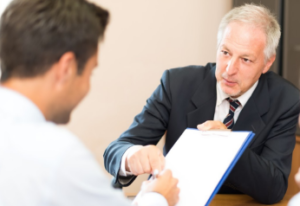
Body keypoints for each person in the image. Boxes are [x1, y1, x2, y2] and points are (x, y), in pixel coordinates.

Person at [104, 4, 300, 204]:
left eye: (246, 59)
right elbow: (117, 149)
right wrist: (131, 156)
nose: (230, 69)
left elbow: (274, 188)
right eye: (225, 52)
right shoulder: (177, 83)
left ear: (267, 63)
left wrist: (228, 146)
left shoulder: (285, 100)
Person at [0, 0, 180, 206]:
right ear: (66, 68)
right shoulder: (58, 156)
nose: (87, 87)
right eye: (90, 72)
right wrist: (158, 197)